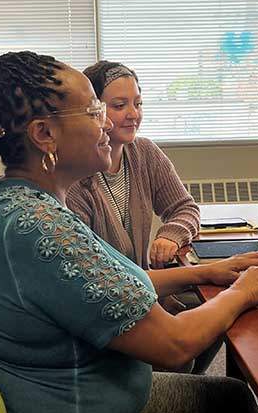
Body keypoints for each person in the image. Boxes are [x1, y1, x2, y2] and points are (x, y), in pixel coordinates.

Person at [0, 44, 258, 413]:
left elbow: (112, 281)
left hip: (81, 395)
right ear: (44, 134)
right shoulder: (39, 227)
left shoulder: (8, 200)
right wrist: (244, 292)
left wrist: (208, 274)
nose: (109, 124)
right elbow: (174, 345)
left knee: (231, 397)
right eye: (96, 111)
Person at [67, 60, 200, 270]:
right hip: (112, 294)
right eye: (120, 106)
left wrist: (172, 235)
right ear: (92, 111)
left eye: (138, 104)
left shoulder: (145, 152)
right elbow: (93, 274)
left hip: (145, 288)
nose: (134, 114)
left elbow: (185, 208)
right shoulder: (75, 175)